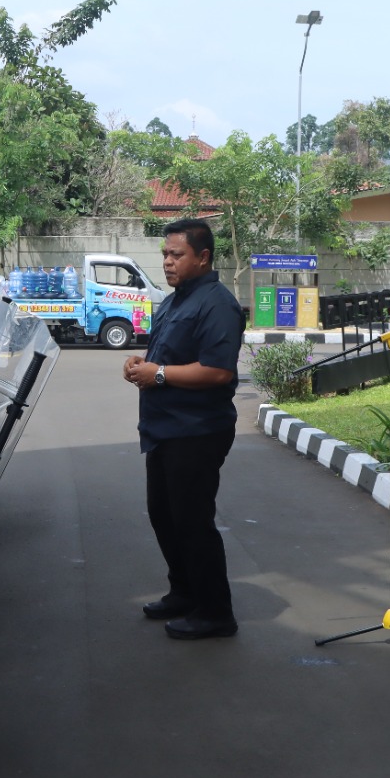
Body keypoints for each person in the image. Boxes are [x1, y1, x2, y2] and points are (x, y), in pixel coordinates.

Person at [122, 217, 244, 640]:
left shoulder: (217, 304)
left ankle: (215, 611)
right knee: (164, 515)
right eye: (165, 255)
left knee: (192, 521)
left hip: (197, 430)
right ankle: (184, 590)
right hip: (164, 428)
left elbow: (216, 372)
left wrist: (156, 375)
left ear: (203, 257)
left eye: (177, 255)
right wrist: (142, 363)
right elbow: (168, 356)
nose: (168, 263)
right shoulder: (175, 301)